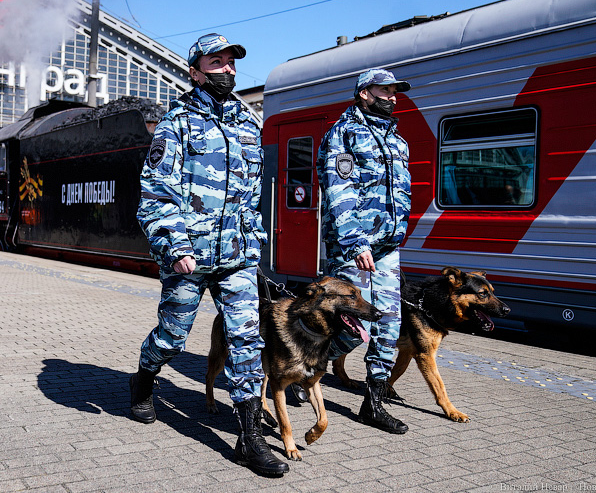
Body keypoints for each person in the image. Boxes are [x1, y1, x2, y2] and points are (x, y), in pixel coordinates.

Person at [129, 33, 288, 477]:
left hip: (236, 257)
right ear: (195, 70)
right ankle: (143, 381)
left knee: (247, 342)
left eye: (231, 62)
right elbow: (156, 194)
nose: (228, 69)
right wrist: (175, 245)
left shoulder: (246, 122)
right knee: (172, 337)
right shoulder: (176, 122)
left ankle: (249, 438)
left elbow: (253, 194)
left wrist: (254, 242)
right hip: (189, 256)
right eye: (216, 62)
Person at [317, 68, 412, 435]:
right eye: (384, 90)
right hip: (353, 246)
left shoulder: (397, 140)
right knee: (353, 327)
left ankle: (373, 403)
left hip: (386, 247)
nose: (392, 96)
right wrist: (355, 241)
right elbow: (340, 191)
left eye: (394, 91)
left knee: (388, 324)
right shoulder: (343, 134)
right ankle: (302, 368)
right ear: (364, 94)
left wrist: (397, 231)